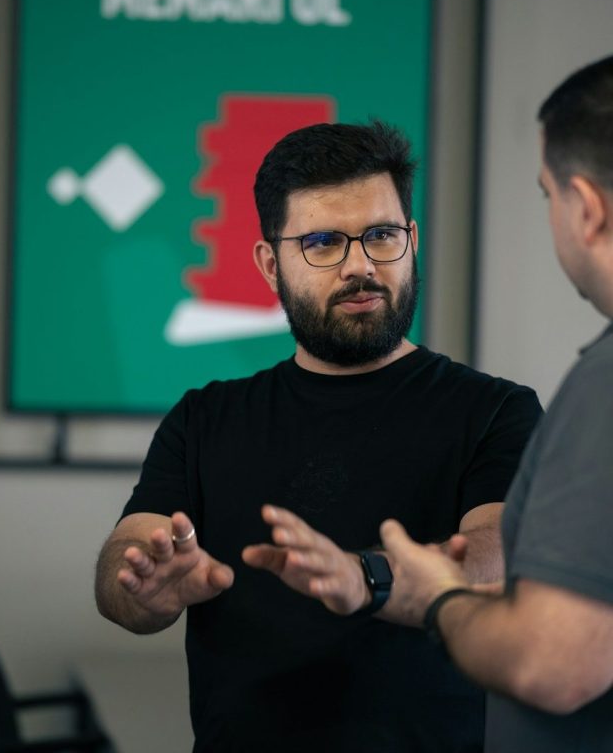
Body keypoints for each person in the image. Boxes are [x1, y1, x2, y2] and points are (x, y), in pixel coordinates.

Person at [94, 121, 542, 753]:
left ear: (412, 241)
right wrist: (142, 584)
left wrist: (368, 578)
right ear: (269, 265)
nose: (360, 265)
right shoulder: (204, 419)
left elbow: (499, 552)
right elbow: (127, 560)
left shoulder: (496, 410)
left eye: (381, 235)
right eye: (323, 242)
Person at [370, 55, 613, 753]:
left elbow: (554, 665)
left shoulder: (603, 387)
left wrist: (438, 598)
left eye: (548, 195)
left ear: (586, 207)